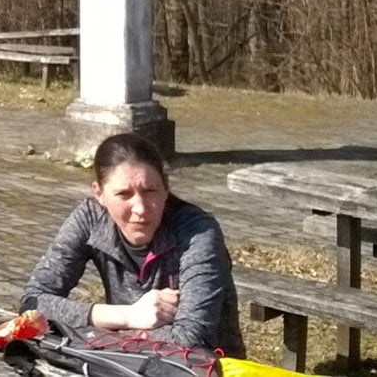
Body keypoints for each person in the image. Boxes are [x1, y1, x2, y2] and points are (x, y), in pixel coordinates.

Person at [20, 133, 245, 356]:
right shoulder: (90, 219)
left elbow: (192, 339)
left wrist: (99, 332)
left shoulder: (198, 231)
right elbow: (33, 302)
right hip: (120, 362)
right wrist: (128, 315)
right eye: (124, 194)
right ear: (99, 193)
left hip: (203, 367)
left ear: (166, 188)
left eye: (150, 191)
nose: (140, 208)